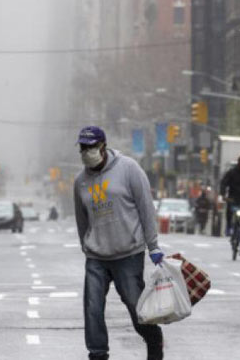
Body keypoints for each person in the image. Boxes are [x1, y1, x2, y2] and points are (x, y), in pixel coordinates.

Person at [73, 126, 164, 360]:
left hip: (128, 253)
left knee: (137, 308)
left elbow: (145, 207)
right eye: (83, 148)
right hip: (96, 257)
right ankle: (97, 353)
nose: (86, 152)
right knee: (92, 309)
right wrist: (87, 245)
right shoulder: (80, 181)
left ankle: (153, 339)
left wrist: (153, 246)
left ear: (103, 146)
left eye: (91, 147)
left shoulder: (128, 168)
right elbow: (81, 219)